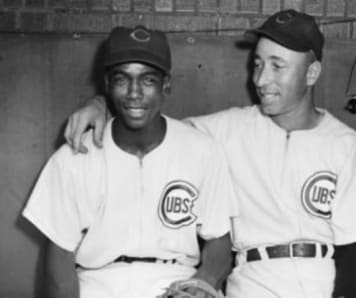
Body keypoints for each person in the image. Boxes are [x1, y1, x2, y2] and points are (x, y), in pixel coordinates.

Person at [64, 10, 356, 298]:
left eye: (277, 66)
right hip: (255, 281)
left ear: (311, 74)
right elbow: (148, 122)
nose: (262, 79)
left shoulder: (346, 145)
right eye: (258, 64)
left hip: (326, 277)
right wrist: (101, 103)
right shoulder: (227, 129)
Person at [22, 25, 237, 298]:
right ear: (108, 84)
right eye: (122, 79)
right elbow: (59, 262)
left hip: (178, 281)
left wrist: (200, 286)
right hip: (98, 283)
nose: (134, 93)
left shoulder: (202, 150)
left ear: (166, 84)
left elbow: (219, 242)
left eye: (148, 80)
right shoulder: (74, 157)